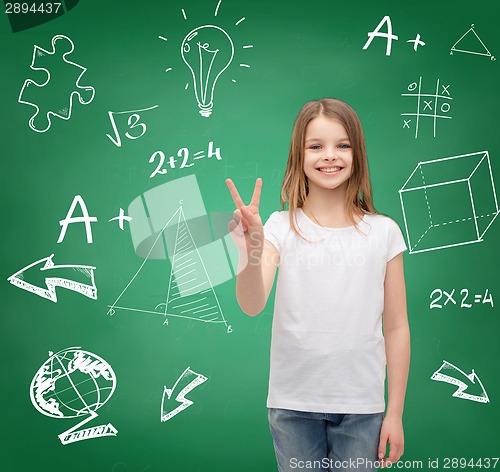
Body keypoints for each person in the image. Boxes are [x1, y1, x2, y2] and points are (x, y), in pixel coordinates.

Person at [226, 98, 410, 471]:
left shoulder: (384, 232)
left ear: (357, 153)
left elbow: (396, 326)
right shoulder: (279, 227)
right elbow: (252, 303)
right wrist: (252, 251)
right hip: (293, 405)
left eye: (342, 145)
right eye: (316, 146)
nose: (330, 156)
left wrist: (395, 413)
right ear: (299, 154)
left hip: (363, 408)